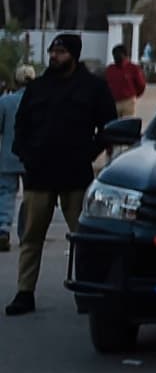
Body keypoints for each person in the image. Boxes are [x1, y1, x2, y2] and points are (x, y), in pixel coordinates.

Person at [7, 36, 116, 316]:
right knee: (31, 237)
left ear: (74, 55)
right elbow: (22, 126)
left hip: (75, 175)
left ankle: (86, 290)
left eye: (61, 52)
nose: (54, 56)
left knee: (84, 239)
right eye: (52, 51)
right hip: (39, 175)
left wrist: (89, 153)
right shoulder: (38, 88)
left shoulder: (93, 88)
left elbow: (109, 126)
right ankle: (24, 292)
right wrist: (26, 156)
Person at [0, 65, 31, 253]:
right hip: (32, 158)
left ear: (16, 81)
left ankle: (3, 228)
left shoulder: (5, 101)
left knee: (6, 193)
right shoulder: (39, 101)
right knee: (31, 197)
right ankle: (26, 234)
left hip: (9, 156)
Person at [104, 43, 146, 120]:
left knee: (126, 125)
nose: (115, 57)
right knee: (113, 126)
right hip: (113, 102)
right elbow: (104, 85)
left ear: (124, 55)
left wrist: (133, 95)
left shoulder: (133, 68)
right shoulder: (110, 69)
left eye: (117, 54)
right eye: (114, 55)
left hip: (128, 101)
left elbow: (141, 85)